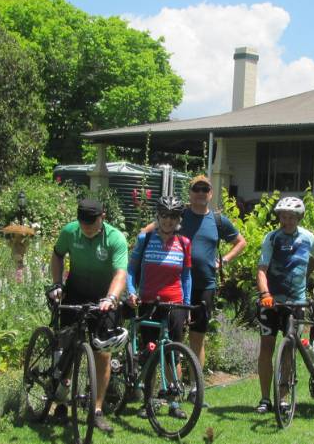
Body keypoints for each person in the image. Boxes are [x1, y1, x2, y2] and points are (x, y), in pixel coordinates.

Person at [141, 175, 246, 407]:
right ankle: (168, 388)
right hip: (175, 287)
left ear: (210, 193)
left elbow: (241, 242)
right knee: (171, 339)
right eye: (196, 189)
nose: (200, 192)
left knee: (197, 339)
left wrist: (224, 260)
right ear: (190, 193)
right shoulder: (179, 215)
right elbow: (147, 231)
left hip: (205, 286)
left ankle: (196, 389)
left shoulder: (218, 220)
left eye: (204, 189)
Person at [48, 198, 128, 434]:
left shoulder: (115, 238)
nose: (87, 229)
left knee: (103, 353)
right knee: (64, 346)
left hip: (103, 298)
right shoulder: (70, 232)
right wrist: (56, 283)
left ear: (102, 217)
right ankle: (60, 402)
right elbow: (57, 254)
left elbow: (120, 274)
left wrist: (112, 298)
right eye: (83, 224)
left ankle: (97, 410)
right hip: (75, 293)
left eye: (91, 225)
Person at [253, 196, 314, 414]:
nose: (285, 221)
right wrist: (265, 293)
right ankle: (265, 399)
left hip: (297, 303)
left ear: (298, 218)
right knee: (266, 347)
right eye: (282, 217)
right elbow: (262, 269)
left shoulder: (308, 238)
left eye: (290, 217)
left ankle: (284, 398)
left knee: (288, 350)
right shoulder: (272, 238)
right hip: (271, 302)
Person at [126, 196, 193, 419]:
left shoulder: (184, 243)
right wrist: (131, 291)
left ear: (178, 219)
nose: (168, 221)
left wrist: (187, 304)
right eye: (164, 216)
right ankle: (150, 401)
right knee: (151, 353)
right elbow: (131, 269)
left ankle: (174, 403)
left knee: (174, 354)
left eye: (173, 217)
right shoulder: (144, 239)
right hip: (148, 302)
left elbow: (186, 276)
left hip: (175, 304)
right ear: (158, 216)